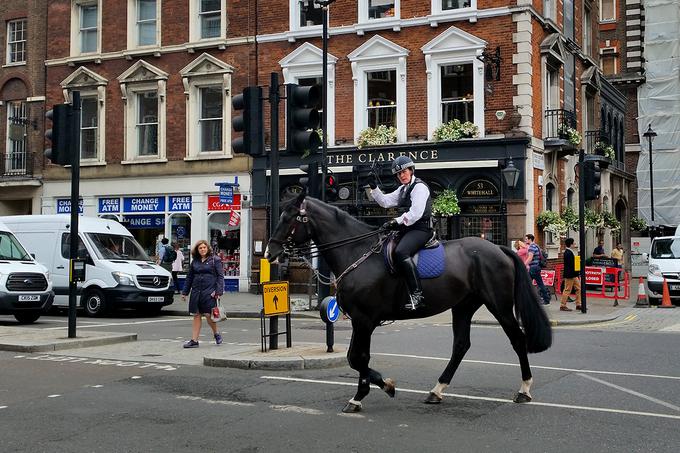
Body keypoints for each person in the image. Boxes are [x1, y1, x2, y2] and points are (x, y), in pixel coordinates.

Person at [367, 156, 432, 310]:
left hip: (421, 229)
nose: (401, 175)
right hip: (407, 229)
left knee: (401, 252)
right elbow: (385, 202)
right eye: (398, 174)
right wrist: (373, 187)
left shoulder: (419, 187)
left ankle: (418, 295)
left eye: (404, 171)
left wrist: (396, 221)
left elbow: (416, 213)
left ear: (411, 170)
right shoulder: (403, 189)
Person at [181, 240, 224, 348]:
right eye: (200, 248)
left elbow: (220, 276)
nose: (202, 249)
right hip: (196, 292)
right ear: (197, 250)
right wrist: (185, 292)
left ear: (208, 248)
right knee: (196, 315)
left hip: (209, 292)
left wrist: (218, 291)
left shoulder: (215, 260)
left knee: (209, 315)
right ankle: (194, 340)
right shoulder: (195, 261)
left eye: (204, 247)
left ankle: (216, 334)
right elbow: (189, 277)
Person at [525, 233, 551, 305]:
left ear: (530, 239)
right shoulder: (536, 246)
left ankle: (542, 299)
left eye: (526, 239)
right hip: (537, 267)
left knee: (528, 284)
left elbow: (530, 258)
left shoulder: (531, 247)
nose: (525, 240)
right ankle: (545, 299)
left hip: (533, 268)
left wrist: (524, 265)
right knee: (539, 284)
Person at [560, 238, 582, 312]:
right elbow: (571, 265)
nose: (574, 244)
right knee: (567, 290)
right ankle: (563, 305)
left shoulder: (570, 252)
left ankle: (578, 304)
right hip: (570, 274)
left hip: (573, 274)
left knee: (578, 288)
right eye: (573, 243)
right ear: (571, 244)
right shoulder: (568, 253)